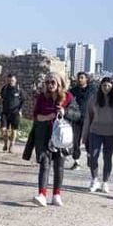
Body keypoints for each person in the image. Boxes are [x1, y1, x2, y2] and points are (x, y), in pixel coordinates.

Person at [23, 74, 80, 207]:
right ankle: (42, 195)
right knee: (44, 163)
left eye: (53, 82)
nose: (50, 85)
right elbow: (36, 115)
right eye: (47, 82)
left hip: (60, 137)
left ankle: (56, 195)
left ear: (59, 83)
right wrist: (48, 116)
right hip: (43, 135)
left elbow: (77, 115)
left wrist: (65, 112)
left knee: (59, 165)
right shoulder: (42, 97)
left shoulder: (68, 97)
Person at [81, 77, 113, 193]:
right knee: (93, 156)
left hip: (111, 133)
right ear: (100, 86)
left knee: (107, 157)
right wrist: (84, 134)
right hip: (95, 131)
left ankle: (105, 182)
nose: (106, 88)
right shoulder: (94, 98)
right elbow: (88, 117)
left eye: (108, 86)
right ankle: (94, 179)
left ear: (112, 87)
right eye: (104, 86)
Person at [67, 72, 93, 171]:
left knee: (89, 141)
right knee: (75, 141)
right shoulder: (73, 91)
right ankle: (76, 162)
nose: (80, 79)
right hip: (76, 119)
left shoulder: (93, 90)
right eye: (78, 78)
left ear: (86, 79)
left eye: (82, 77)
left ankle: (90, 158)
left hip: (89, 120)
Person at [0, 73, 24, 153]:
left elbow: (23, 100)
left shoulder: (19, 90)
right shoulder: (4, 89)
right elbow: (0, 97)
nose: (10, 82)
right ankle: (5, 143)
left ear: (15, 81)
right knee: (3, 129)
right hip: (5, 112)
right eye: (9, 80)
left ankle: (11, 146)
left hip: (15, 113)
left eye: (12, 80)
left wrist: (20, 110)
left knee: (14, 130)